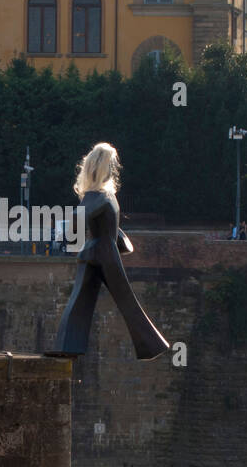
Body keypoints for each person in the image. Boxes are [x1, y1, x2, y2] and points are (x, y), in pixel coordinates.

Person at [48, 143, 169, 361]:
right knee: (116, 301)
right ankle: (149, 345)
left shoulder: (97, 195)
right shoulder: (106, 195)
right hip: (105, 253)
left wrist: (70, 233)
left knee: (87, 299)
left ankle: (69, 345)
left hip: (97, 252)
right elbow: (105, 225)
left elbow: (77, 222)